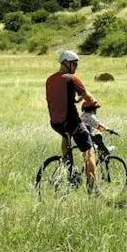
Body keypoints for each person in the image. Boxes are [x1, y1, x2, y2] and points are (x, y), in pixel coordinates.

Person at [45, 49, 100, 193]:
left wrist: (76, 100)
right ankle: (92, 189)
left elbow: (60, 99)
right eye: (74, 64)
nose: (76, 67)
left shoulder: (50, 79)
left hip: (56, 123)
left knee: (66, 137)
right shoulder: (71, 78)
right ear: (66, 63)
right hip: (71, 121)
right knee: (89, 151)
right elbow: (87, 96)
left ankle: (69, 171)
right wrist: (93, 100)